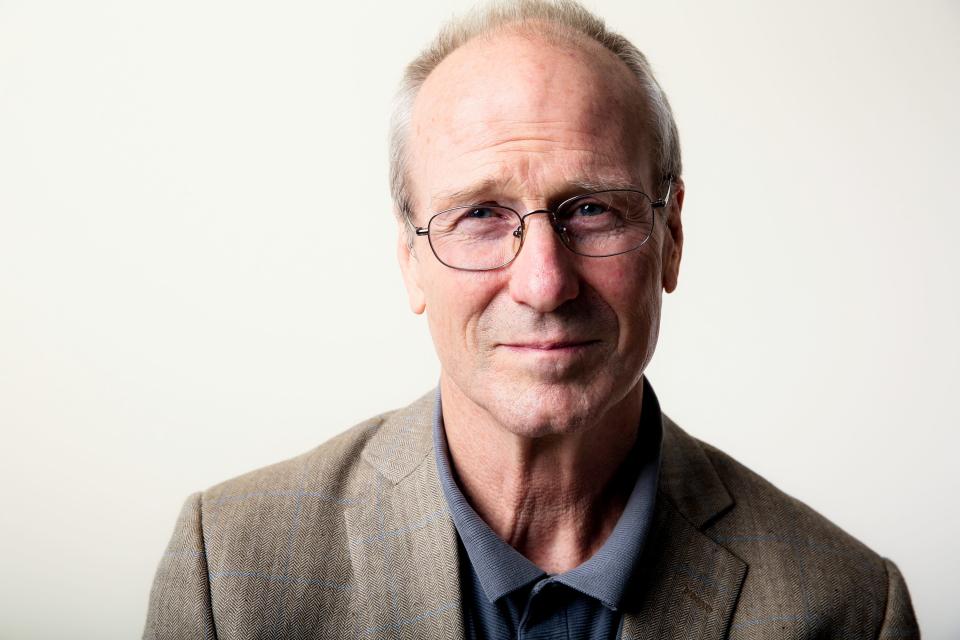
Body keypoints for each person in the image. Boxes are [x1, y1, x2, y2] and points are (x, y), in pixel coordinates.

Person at [144, 1, 919, 638]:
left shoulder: (847, 607)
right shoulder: (232, 572)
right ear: (410, 259)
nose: (544, 282)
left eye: (592, 210)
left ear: (672, 238)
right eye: (481, 214)